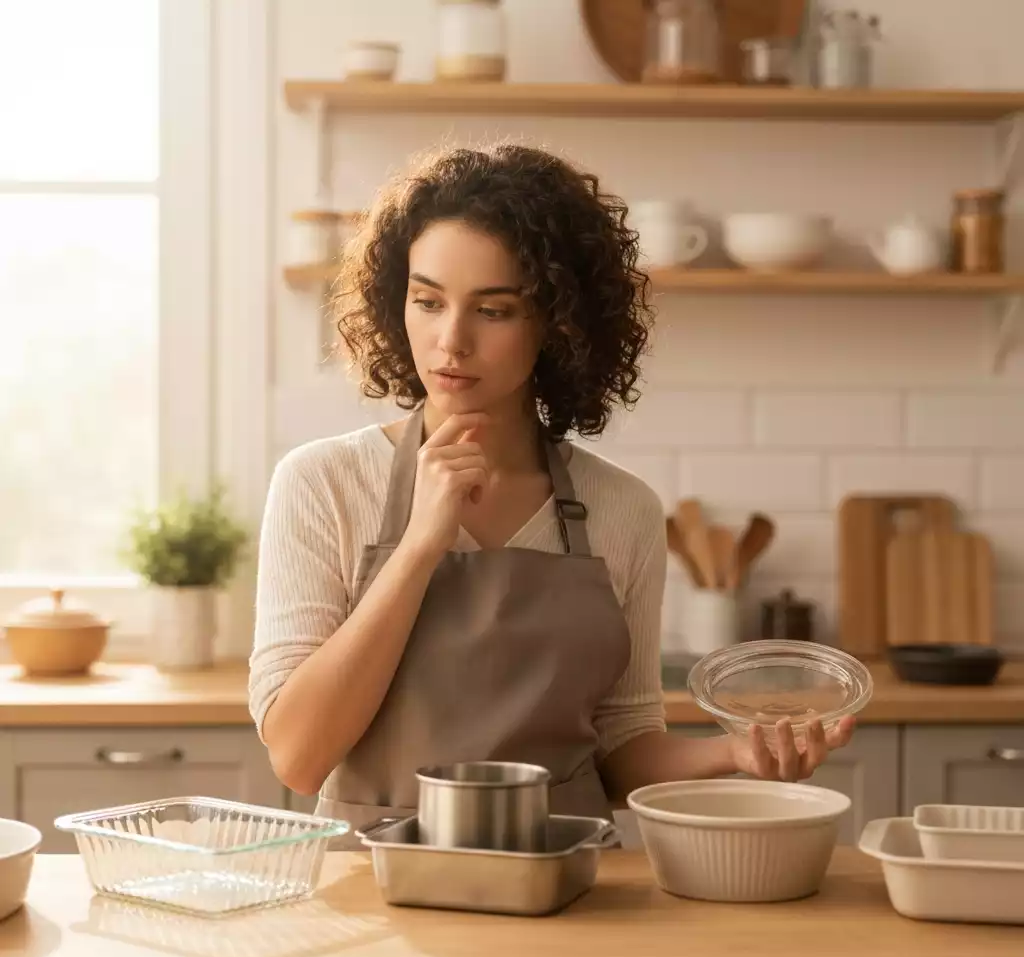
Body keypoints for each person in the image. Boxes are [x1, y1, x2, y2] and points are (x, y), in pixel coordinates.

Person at [248, 142, 855, 847]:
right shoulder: (323, 484)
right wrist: (420, 544)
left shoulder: (620, 509)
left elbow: (621, 744)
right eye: (427, 301)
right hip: (373, 894)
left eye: (495, 310)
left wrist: (732, 755)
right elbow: (298, 754)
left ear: (558, 323)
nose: (451, 341)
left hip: (564, 883)